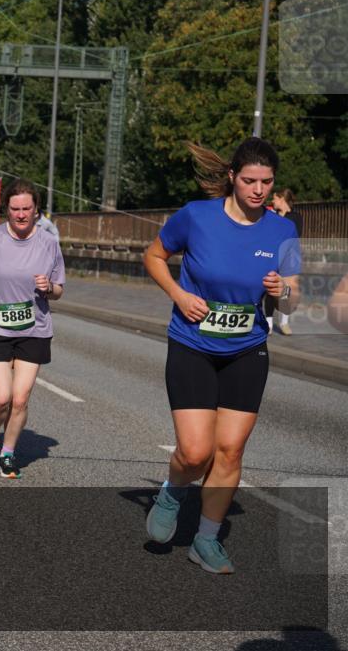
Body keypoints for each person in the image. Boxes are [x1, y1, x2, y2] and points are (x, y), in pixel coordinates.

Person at [143, 138, 300, 574]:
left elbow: (292, 301)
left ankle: (206, 540)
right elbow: (154, 256)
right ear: (232, 177)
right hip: (193, 343)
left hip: (247, 349)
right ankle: (173, 490)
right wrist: (178, 293)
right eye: (249, 180)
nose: (258, 190)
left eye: (266, 182)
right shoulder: (196, 216)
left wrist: (282, 292)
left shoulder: (282, 230)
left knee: (229, 451)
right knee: (195, 453)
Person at [0, 180, 65, 479]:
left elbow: (60, 289)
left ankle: (8, 452)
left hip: (34, 328)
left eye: (27, 209)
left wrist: (49, 287)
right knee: (1, 396)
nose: (21, 214)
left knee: (21, 398)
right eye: (15, 209)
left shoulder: (49, 243)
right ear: (5, 210)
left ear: (36, 210)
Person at [265, 188, 302, 335]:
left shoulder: (295, 217)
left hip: (289, 259)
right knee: (270, 289)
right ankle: (268, 324)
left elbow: (294, 237)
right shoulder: (270, 216)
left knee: (286, 290)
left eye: (275, 198)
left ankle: (284, 323)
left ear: (281, 199)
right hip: (272, 257)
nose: (272, 201)